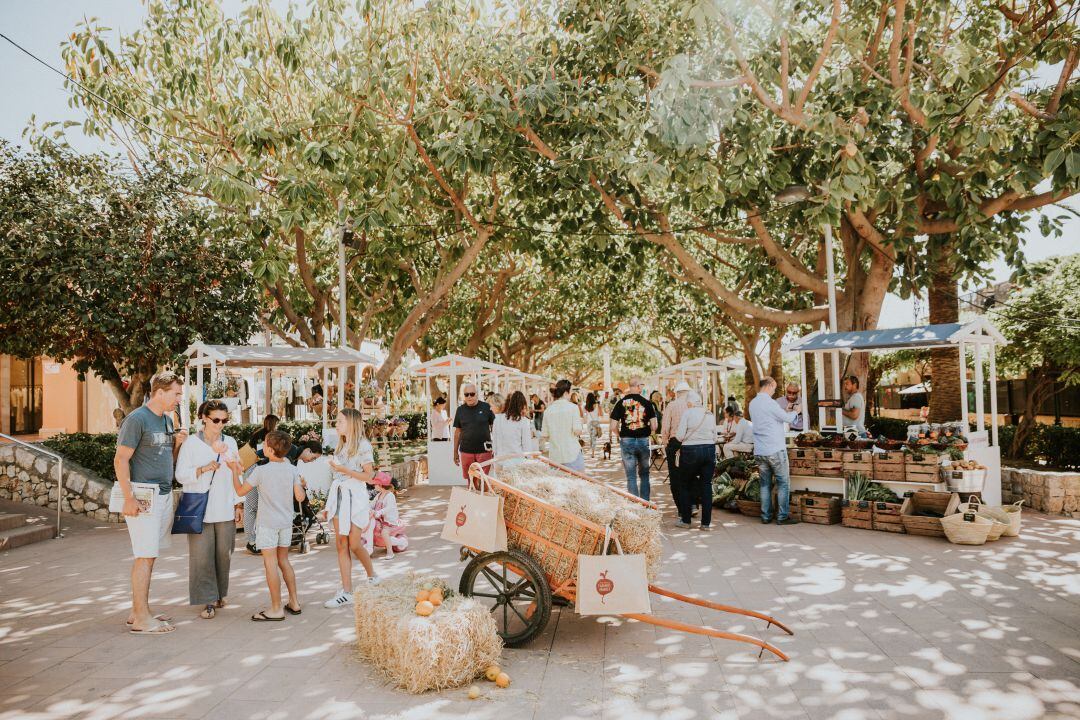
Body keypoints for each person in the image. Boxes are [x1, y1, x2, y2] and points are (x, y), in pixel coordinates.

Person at [114, 371, 188, 635]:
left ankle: (138, 611)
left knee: (150, 554)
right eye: (176, 393)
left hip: (163, 494)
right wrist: (129, 497)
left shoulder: (166, 421)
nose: (179, 398)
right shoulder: (137, 419)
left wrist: (177, 444)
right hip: (144, 495)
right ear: (160, 392)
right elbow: (120, 459)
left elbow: (167, 457)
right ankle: (142, 618)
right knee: (144, 555)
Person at [175, 400, 242, 620]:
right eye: (216, 420)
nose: (220, 424)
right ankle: (208, 599)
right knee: (201, 556)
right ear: (204, 418)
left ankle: (220, 593)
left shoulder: (230, 441)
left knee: (225, 554)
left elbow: (238, 474)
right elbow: (180, 475)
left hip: (225, 506)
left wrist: (238, 503)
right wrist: (203, 469)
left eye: (224, 420)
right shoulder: (191, 444)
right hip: (199, 507)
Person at [230, 430, 304, 621]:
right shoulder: (292, 469)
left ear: (270, 450)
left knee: (270, 564)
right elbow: (300, 497)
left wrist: (233, 471)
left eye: (264, 444)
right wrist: (301, 484)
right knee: (284, 561)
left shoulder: (260, 471)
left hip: (267, 524)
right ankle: (294, 602)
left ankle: (276, 608)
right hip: (285, 523)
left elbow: (240, 490)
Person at [322, 409, 380, 609]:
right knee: (341, 544)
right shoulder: (340, 446)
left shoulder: (362, 445)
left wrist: (344, 470)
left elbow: (369, 476)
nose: (336, 424)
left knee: (354, 544)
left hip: (355, 498)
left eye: (340, 421)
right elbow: (337, 477)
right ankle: (347, 591)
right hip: (340, 497)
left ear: (352, 424)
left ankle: (372, 575)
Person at [749, 377, 799, 525]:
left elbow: (770, 419)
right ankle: (782, 516)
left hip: (760, 449)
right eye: (774, 388)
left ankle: (765, 516)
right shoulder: (770, 403)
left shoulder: (752, 403)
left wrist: (785, 411)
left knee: (765, 484)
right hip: (775, 449)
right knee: (783, 483)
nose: (774, 391)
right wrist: (796, 411)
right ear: (769, 385)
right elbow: (787, 419)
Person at [674, 390, 717, 530]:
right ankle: (706, 524)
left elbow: (680, 436)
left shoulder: (688, 413)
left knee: (685, 484)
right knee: (706, 485)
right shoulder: (709, 414)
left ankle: (686, 521)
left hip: (690, 451)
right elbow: (715, 436)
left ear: (690, 402)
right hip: (709, 449)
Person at [609, 378, 657, 500]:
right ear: (637, 386)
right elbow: (655, 426)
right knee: (645, 475)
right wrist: (649, 431)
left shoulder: (620, 403)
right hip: (643, 440)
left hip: (627, 440)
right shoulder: (647, 403)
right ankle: (645, 503)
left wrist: (619, 434)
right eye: (642, 385)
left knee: (631, 476)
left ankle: (635, 504)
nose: (642, 388)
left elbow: (613, 426)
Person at [453, 383, 496, 483]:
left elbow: (495, 428)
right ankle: (472, 498)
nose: (469, 397)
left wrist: (496, 447)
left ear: (477, 394)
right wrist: (455, 452)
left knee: (484, 480)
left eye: (472, 394)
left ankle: (483, 498)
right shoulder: (460, 410)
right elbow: (457, 432)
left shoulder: (486, 407)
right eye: (466, 394)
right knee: (471, 480)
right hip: (466, 451)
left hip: (484, 451)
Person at [660, 381, 691, 518]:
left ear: (677, 393)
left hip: (675, 443)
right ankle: (692, 504)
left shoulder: (672, 405)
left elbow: (665, 427)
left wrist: (665, 443)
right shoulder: (694, 405)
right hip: (691, 443)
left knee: (675, 476)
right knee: (690, 475)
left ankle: (681, 509)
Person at [542, 379, 586, 472]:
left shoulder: (548, 411)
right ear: (566, 392)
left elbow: (545, 436)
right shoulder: (573, 408)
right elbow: (577, 431)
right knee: (577, 484)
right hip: (572, 454)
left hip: (555, 457)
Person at [492, 391, 533, 469]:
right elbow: (527, 446)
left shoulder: (498, 419)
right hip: (516, 463)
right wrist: (530, 462)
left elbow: (495, 444)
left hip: (499, 460)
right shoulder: (524, 421)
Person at [371, 472, 408, 557]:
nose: (374, 486)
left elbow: (389, 508)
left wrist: (379, 512)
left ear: (380, 485)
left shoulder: (390, 495)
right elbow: (372, 504)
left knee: (384, 533)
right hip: (379, 520)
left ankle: (390, 552)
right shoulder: (379, 495)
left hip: (389, 522)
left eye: (375, 484)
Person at [584, 392, 604, 456]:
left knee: (592, 437)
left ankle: (592, 450)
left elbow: (584, 415)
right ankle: (593, 452)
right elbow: (601, 414)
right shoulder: (597, 405)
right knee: (594, 438)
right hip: (596, 422)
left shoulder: (586, 406)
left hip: (589, 423)